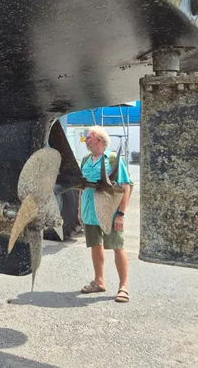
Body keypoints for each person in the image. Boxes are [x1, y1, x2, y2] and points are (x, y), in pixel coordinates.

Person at [78, 126, 132, 302]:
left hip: (110, 212)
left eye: (89, 137)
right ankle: (99, 281)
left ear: (99, 140)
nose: (86, 140)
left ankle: (123, 287)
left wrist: (121, 214)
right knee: (95, 245)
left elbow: (125, 186)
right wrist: (79, 210)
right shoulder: (86, 160)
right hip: (89, 211)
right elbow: (82, 186)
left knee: (117, 246)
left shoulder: (113, 159)